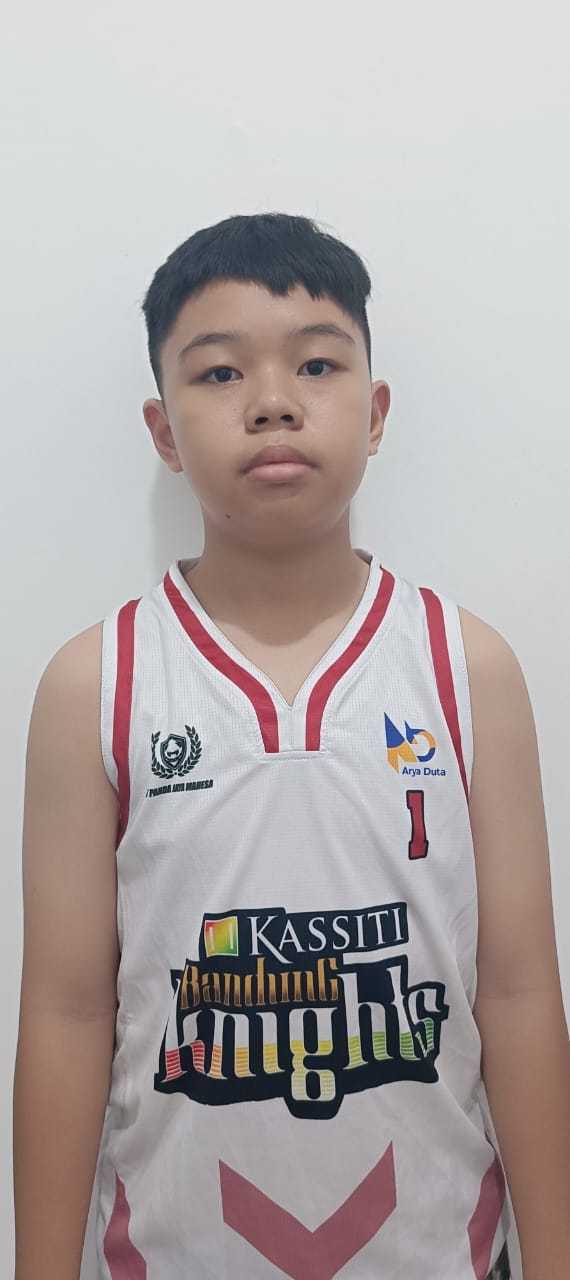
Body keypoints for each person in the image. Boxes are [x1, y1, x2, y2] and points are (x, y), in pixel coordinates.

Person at [12, 212, 570, 1280]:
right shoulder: (96, 684)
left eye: (316, 363)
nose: (272, 400)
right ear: (163, 431)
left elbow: (519, 994)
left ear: (376, 411)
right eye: (220, 372)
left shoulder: (469, 670)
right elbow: (68, 1012)